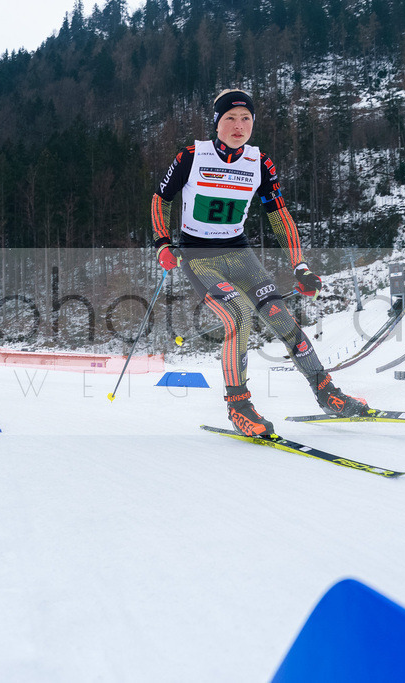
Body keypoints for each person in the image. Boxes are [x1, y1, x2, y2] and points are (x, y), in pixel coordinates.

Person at [151, 88, 369, 437]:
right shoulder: (192, 156)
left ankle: (327, 392)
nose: (239, 126)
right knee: (238, 313)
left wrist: (300, 265)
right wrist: (163, 242)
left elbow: (280, 216)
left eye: (246, 119)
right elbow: (161, 198)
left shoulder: (259, 163)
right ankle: (238, 406)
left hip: (241, 254)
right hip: (199, 258)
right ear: (217, 124)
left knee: (281, 318)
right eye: (230, 118)